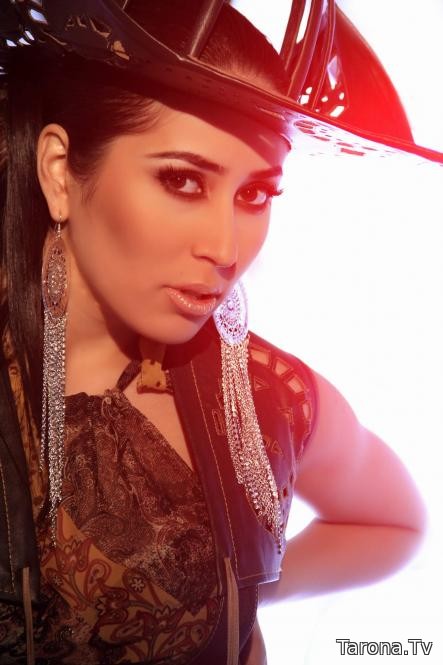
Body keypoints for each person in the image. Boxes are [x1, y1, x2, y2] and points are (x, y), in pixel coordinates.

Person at [0, 1, 440, 664]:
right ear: (60, 172)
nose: (227, 247)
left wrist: (227, 594)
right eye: (182, 180)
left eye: (255, 194)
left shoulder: (264, 396)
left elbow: (393, 524)